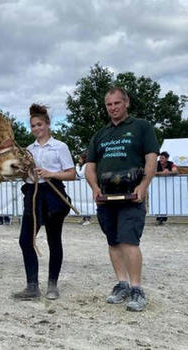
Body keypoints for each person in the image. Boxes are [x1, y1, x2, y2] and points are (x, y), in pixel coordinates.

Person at [86, 86, 159, 312]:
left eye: (117, 103)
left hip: (131, 195)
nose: (113, 108)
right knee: (113, 241)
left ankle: (137, 289)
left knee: (129, 240)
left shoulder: (141, 127)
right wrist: (95, 187)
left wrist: (143, 186)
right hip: (106, 198)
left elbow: (151, 159)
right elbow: (90, 167)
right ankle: (122, 284)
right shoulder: (100, 134)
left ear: (126, 102)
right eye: (109, 105)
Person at [12, 104, 75, 300]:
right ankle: (32, 286)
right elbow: (25, 176)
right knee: (25, 240)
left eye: (39, 124)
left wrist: (51, 174)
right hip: (33, 194)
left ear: (47, 124)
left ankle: (52, 285)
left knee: (53, 241)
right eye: (33, 126)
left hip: (53, 194)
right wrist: (23, 172)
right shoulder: (28, 150)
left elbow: (71, 174)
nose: (36, 128)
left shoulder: (60, 147)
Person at [155, 151, 178, 225]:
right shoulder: (156, 163)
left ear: (167, 159)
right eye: (160, 158)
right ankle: (159, 217)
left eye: (162, 158)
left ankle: (163, 218)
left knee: (166, 200)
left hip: (168, 187)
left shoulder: (171, 163)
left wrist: (168, 172)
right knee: (158, 200)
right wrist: (162, 173)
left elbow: (175, 171)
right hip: (157, 186)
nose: (160, 159)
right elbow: (152, 172)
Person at [75, 152, 91, 225]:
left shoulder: (85, 165)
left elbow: (80, 174)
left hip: (86, 185)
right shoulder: (85, 165)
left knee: (87, 200)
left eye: (80, 159)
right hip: (84, 185)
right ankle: (85, 217)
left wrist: (77, 167)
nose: (79, 160)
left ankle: (88, 218)